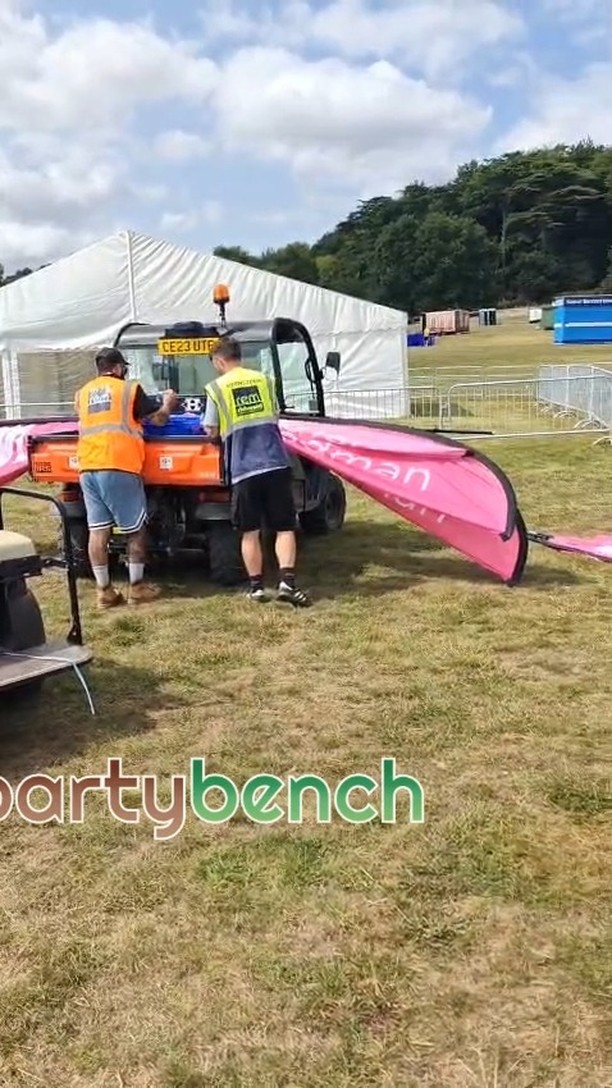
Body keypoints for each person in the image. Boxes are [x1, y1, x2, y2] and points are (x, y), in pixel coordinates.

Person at [203, 335, 310, 607]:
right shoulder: (264, 380)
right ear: (240, 356)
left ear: (218, 361)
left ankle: (257, 588)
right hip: (275, 462)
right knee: (285, 527)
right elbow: (274, 416)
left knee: (249, 532)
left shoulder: (215, 388)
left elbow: (211, 430)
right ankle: (287, 582)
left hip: (243, 468)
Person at [74, 346, 179, 609]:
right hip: (119, 464)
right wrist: (167, 402)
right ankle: (137, 587)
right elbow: (160, 419)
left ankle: (104, 591)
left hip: (88, 467)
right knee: (136, 529)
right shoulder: (129, 390)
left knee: (98, 530)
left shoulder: (82, 393)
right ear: (120, 368)